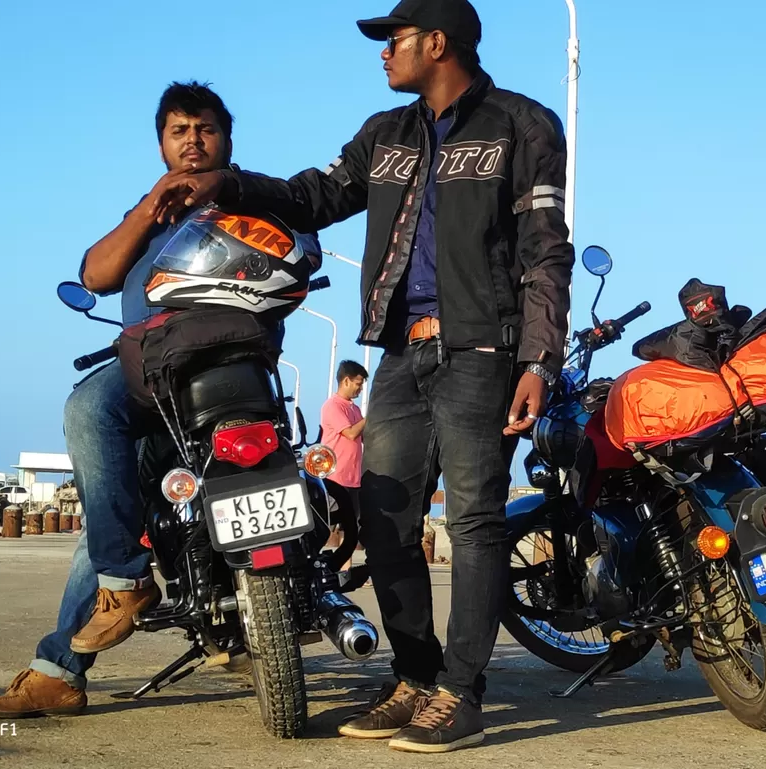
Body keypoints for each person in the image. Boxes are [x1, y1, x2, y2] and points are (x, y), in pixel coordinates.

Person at [152, 0, 574, 753]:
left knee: (474, 522)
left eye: (394, 38)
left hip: (484, 351)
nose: (383, 52)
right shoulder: (385, 136)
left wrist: (539, 358)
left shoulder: (523, 123)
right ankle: (414, 675)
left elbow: (547, 249)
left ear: (436, 42)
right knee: (383, 519)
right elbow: (315, 196)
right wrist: (223, 184)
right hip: (400, 355)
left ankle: (459, 692)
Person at [0, 82, 315, 717]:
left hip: (218, 365)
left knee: (89, 413)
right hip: (148, 371)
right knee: (112, 519)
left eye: (204, 128)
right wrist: (150, 206)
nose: (193, 141)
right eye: (179, 131)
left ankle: (115, 597)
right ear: (160, 144)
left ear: (227, 139)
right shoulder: (150, 213)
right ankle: (69, 654)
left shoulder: (252, 200)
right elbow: (96, 276)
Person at [320, 360, 369, 559]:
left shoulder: (354, 409)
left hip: (353, 477)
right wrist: (369, 418)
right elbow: (350, 433)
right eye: (358, 384)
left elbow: (364, 436)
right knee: (327, 524)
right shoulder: (332, 406)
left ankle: (344, 569)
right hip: (335, 476)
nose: (360, 388)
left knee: (350, 528)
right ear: (346, 381)